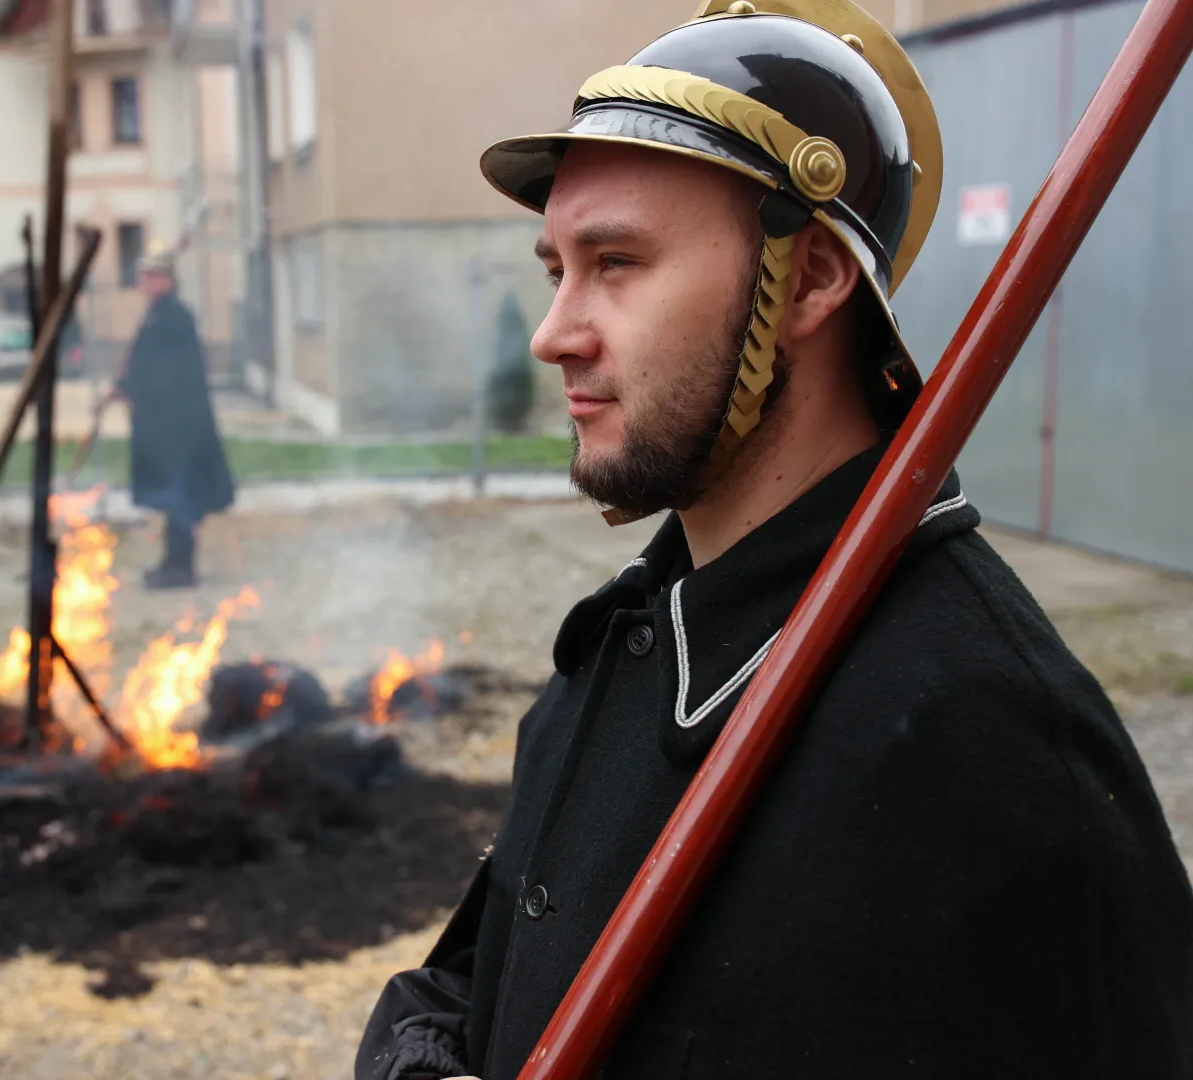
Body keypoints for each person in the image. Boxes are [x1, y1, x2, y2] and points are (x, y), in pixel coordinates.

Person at [357, 1, 1193, 1077]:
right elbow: (472, 983)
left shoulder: (987, 737)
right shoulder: (626, 644)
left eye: (616, 263)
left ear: (810, 280)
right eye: (554, 269)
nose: (553, 332)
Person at [102, 247, 234, 589]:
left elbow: (169, 373)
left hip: (179, 428)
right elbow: (145, 363)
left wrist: (133, 388)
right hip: (163, 427)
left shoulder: (174, 317)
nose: (144, 282)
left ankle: (180, 569)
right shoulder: (157, 314)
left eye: (151, 276)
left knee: (181, 497)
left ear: (167, 280)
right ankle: (172, 563)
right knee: (172, 499)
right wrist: (124, 385)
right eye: (143, 276)